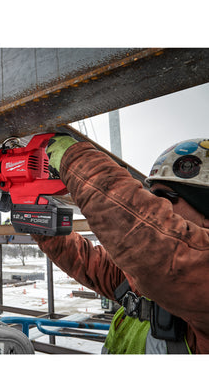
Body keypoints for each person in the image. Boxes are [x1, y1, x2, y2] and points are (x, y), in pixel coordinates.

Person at [32, 135, 209, 354]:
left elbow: (149, 240)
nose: (156, 205)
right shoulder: (144, 277)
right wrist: (39, 220)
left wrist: (75, 160)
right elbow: (88, 262)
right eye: (151, 197)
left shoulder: (195, 274)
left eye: (164, 197)